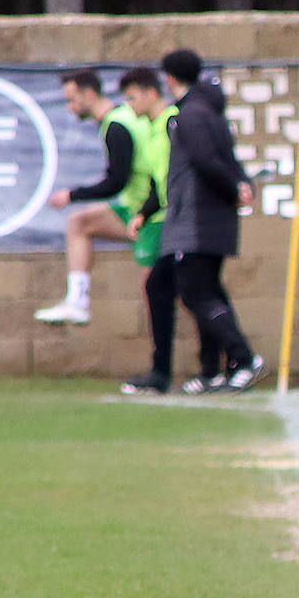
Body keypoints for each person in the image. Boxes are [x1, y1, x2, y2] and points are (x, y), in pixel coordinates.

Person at [159, 48, 265, 394]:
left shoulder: (189, 115)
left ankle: (244, 358)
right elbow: (228, 159)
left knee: (195, 293)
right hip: (213, 218)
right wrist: (240, 183)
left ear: (170, 78)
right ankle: (212, 371)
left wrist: (235, 185)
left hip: (195, 221)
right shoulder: (212, 113)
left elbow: (206, 161)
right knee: (209, 292)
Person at [35, 69, 152, 326]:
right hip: (136, 208)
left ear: (89, 95)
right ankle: (77, 302)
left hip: (152, 214)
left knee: (160, 294)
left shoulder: (117, 126)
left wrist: (71, 195)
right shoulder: (122, 118)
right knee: (79, 223)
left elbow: (116, 181)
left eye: (72, 99)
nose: (70, 107)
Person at [116, 67, 179, 395]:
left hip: (181, 221)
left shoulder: (173, 121)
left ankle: (234, 361)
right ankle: (164, 372)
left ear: (152, 92)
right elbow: (162, 181)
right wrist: (143, 212)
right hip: (170, 217)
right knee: (169, 290)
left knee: (192, 292)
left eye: (132, 96)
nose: (129, 105)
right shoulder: (154, 128)